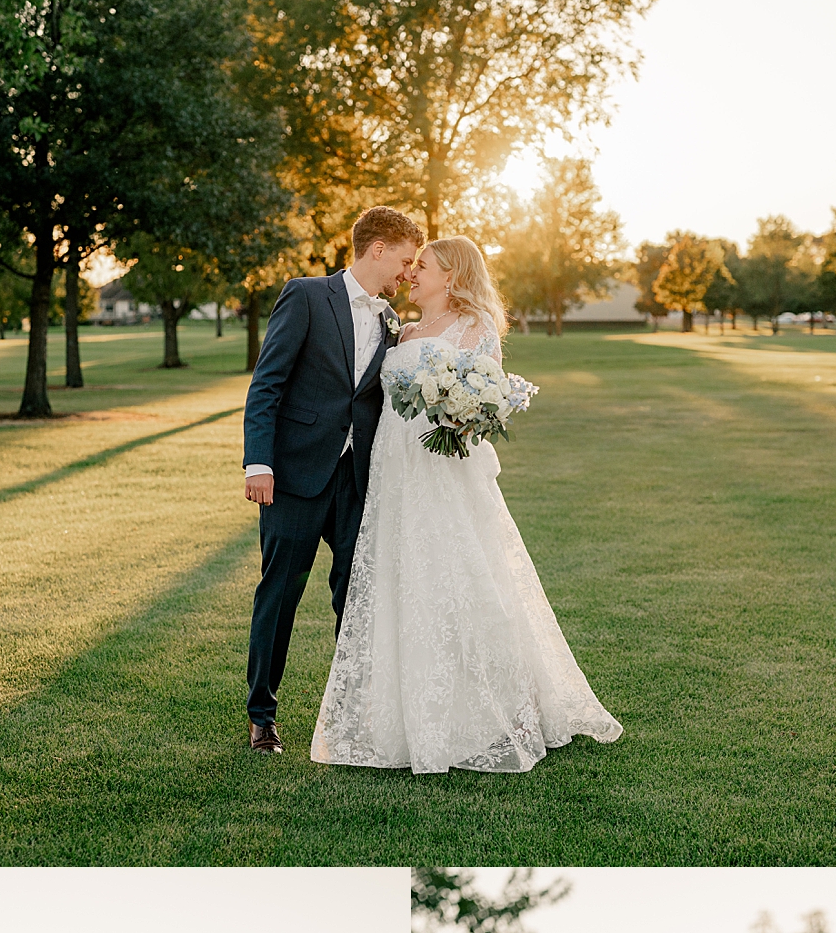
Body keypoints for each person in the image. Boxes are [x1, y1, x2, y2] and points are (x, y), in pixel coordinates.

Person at [312, 234, 623, 774]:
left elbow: (490, 399)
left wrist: (464, 416)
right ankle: (400, 715)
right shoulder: (402, 331)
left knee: (458, 575)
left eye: (422, 266)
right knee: (402, 577)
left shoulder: (476, 329)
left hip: (442, 471)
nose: (411, 273)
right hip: (395, 469)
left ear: (451, 275)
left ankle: (485, 710)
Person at [240, 205, 424, 754]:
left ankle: (352, 709)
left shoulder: (393, 322)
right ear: (377, 249)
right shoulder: (306, 295)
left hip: (358, 479)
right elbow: (267, 382)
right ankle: (262, 715)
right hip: (294, 475)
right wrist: (259, 463)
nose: (408, 273)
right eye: (405, 260)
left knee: (357, 596)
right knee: (280, 594)